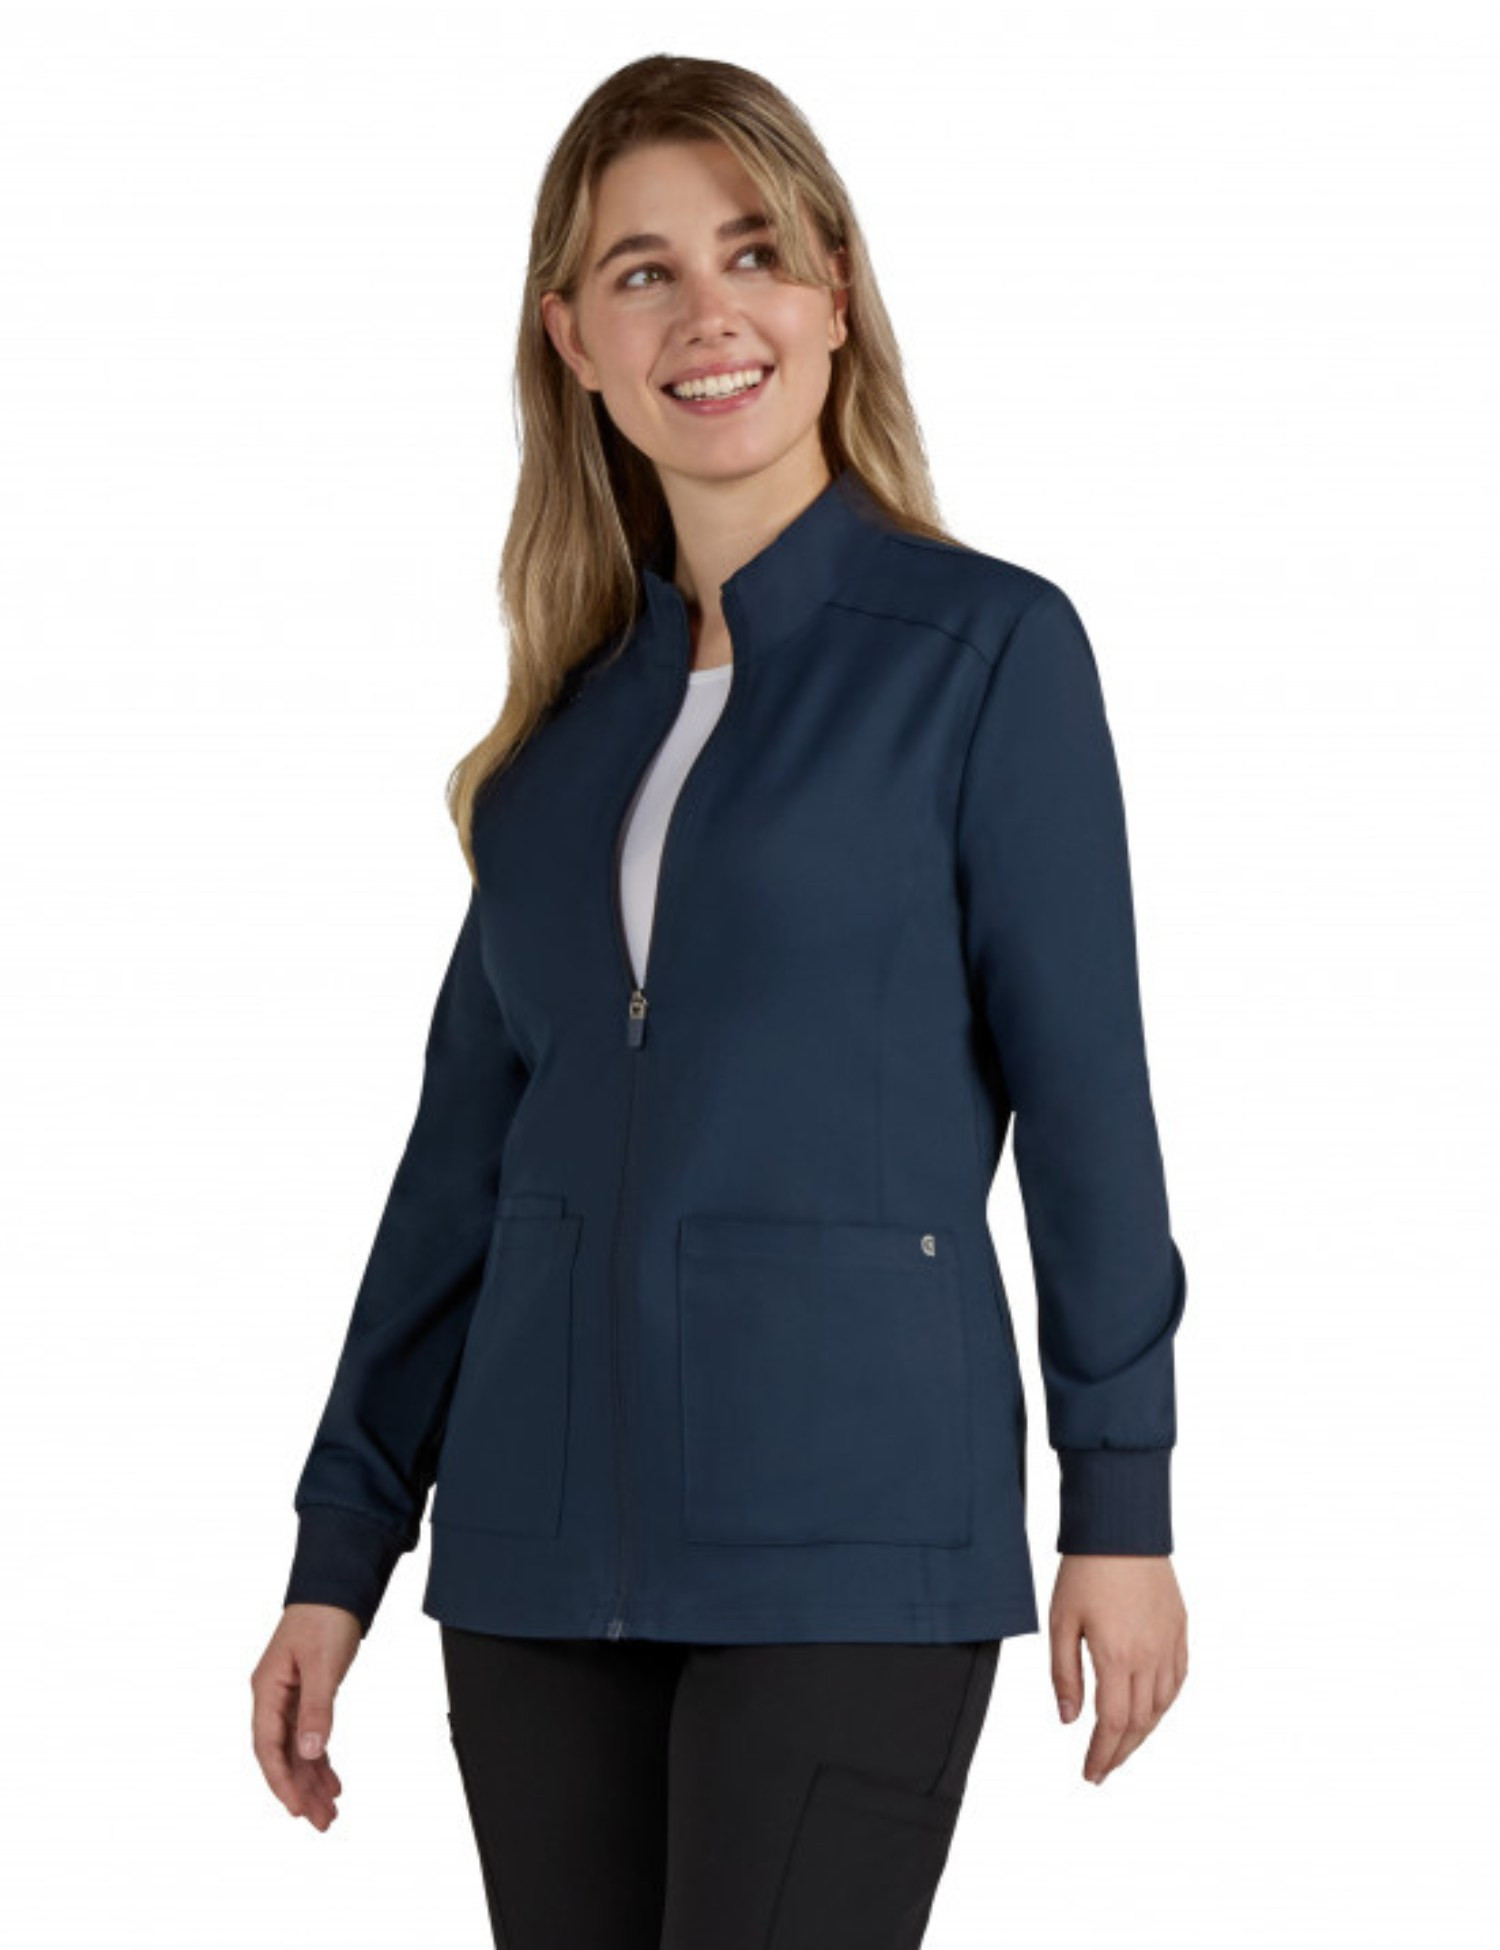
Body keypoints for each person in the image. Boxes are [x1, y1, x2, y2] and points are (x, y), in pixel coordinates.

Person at [251, 53, 1190, 1948]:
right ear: (572, 340)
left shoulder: (986, 655)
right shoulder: (554, 743)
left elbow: (1088, 1105)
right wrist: (341, 1544)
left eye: (756, 254)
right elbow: (459, 1174)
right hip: (532, 1570)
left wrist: (1123, 1500)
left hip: (849, 1544)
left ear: (835, 293)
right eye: (644, 272)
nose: (709, 314)